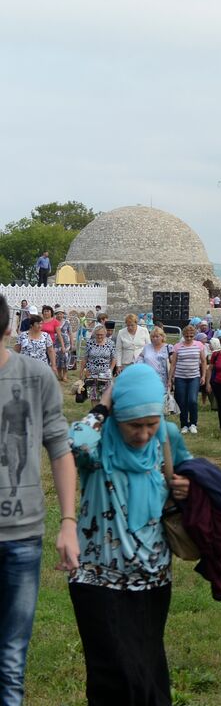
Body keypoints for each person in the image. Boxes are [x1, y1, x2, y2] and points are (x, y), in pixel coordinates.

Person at [67, 364, 193, 704]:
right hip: (97, 580)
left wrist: (184, 487)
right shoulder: (95, 447)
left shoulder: (167, 437)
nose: (143, 434)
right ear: (116, 417)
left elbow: (190, 476)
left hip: (153, 577)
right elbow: (73, 440)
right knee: (112, 671)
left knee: (148, 664)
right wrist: (108, 398)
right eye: (134, 425)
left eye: (151, 423)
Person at [0, 295, 79, 706]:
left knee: (10, 659)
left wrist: (68, 522)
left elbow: (60, 450)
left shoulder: (36, 377)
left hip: (22, 533)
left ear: (7, 330)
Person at [168, 324, 207, 435]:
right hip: (180, 377)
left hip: (194, 376)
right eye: (186, 336)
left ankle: (193, 423)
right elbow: (173, 364)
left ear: (194, 335)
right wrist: (170, 379)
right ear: (183, 336)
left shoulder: (199, 345)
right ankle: (184, 424)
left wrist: (203, 375)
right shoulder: (177, 346)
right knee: (182, 402)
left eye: (191, 336)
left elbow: (203, 361)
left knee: (192, 400)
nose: (189, 338)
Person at [80, 324, 116, 404]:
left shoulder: (111, 343)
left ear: (105, 334)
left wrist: (111, 370)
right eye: (98, 335)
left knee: (105, 396)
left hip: (105, 373)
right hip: (91, 373)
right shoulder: (90, 343)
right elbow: (85, 358)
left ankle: (103, 413)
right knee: (94, 396)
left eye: (101, 335)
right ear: (95, 334)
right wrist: (81, 372)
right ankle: (95, 413)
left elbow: (113, 358)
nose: (99, 336)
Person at [114, 314, 151, 378]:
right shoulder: (121, 332)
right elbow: (118, 350)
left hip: (141, 362)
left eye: (132, 325)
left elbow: (148, 347)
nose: (130, 327)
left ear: (136, 323)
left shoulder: (144, 330)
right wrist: (118, 365)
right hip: (126, 363)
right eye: (128, 325)